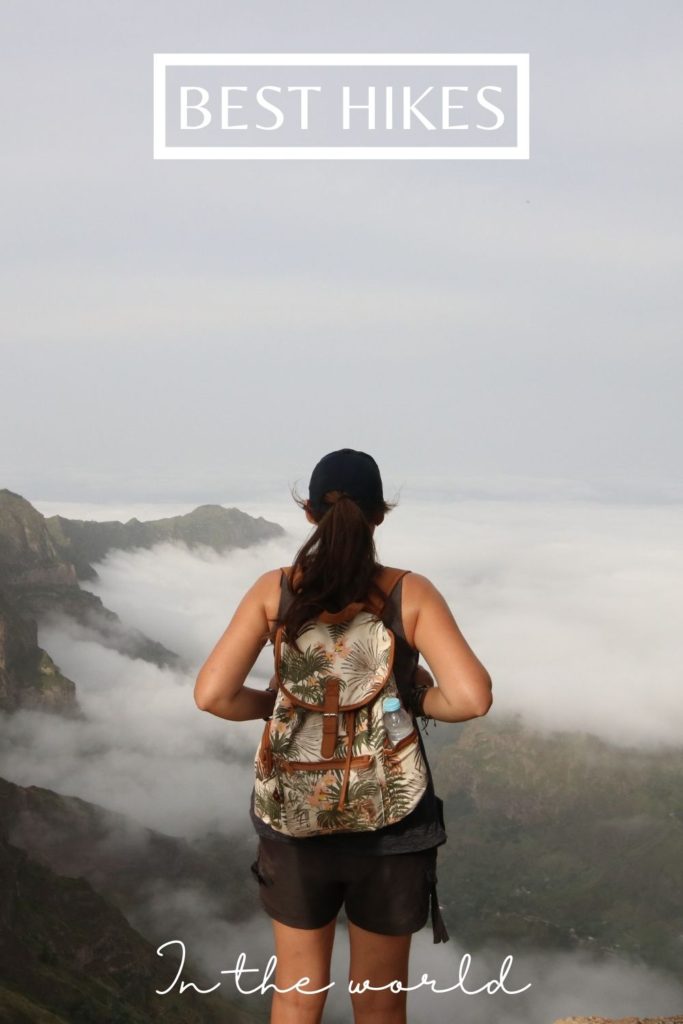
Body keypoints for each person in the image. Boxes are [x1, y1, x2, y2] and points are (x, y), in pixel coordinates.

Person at [194, 449, 493, 1024]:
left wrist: (273, 705)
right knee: (379, 1000)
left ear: (310, 514)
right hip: (392, 820)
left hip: (293, 818)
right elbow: (471, 698)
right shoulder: (412, 594)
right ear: (380, 515)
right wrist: (409, 697)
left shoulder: (273, 591)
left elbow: (212, 695)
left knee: (297, 992)